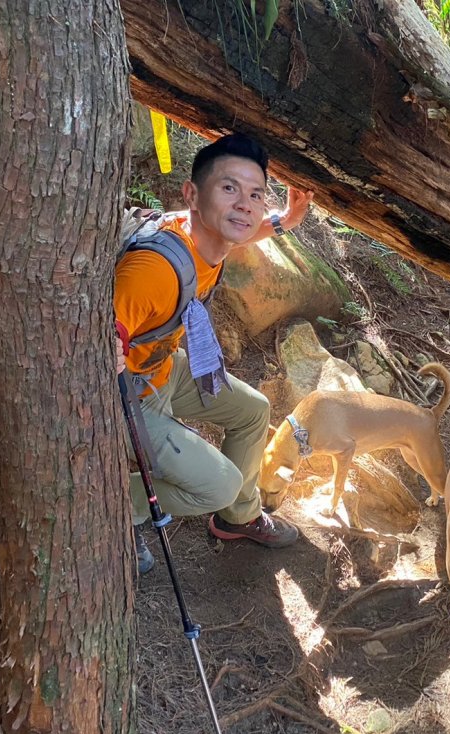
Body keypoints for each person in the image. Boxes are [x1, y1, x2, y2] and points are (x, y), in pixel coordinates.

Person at [114, 133, 314, 573]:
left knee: (253, 410)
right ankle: (113, 508)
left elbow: (242, 233)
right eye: (229, 188)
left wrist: (284, 221)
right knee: (219, 484)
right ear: (192, 193)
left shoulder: (205, 236)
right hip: (125, 396)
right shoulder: (154, 271)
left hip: (161, 368)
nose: (245, 205)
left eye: (255, 194)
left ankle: (237, 519)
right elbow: (99, 345)